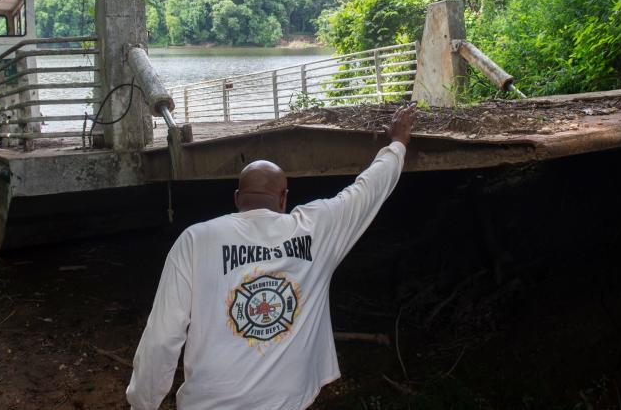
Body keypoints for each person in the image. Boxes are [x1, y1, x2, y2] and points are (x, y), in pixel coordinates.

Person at [126, 104, 418, 410]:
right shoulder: (316, 229)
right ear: (283, 199)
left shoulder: (196, 239)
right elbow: (367, 190)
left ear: (238, 198)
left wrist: (142, 404)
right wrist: (397, 144)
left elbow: (162, 337)